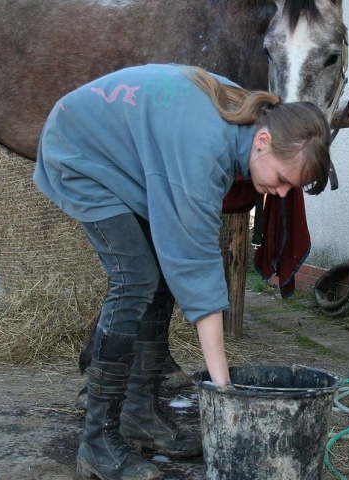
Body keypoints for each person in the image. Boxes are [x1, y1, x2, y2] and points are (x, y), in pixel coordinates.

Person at [33, 63, 331, 480]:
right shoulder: (204, 147)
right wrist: (223, 391)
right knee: (135, 278)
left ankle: (138, 413)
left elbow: (182, 259)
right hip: (81, 151)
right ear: (263, 141)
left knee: (158, 275)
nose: (282, 193)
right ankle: (97, 443)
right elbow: (197, 270)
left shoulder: (247, 123)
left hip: (127, 156)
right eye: (283, 179)